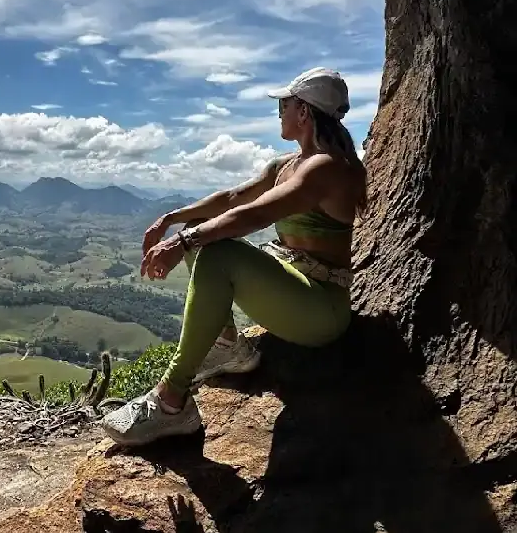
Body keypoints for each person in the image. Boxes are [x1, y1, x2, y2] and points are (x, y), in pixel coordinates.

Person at [100, 67, 367, 447]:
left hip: (321, 312)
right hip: (293, 294)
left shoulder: (327, 168)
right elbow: (230, 200)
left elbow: (254, 215)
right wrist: (173, 218)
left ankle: (172, 402)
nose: (280, 111)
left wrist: (183, 241)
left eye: (285, 104)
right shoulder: (285, 166)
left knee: (216, 250)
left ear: (304, 112)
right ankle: (228, 348)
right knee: (206, 236)